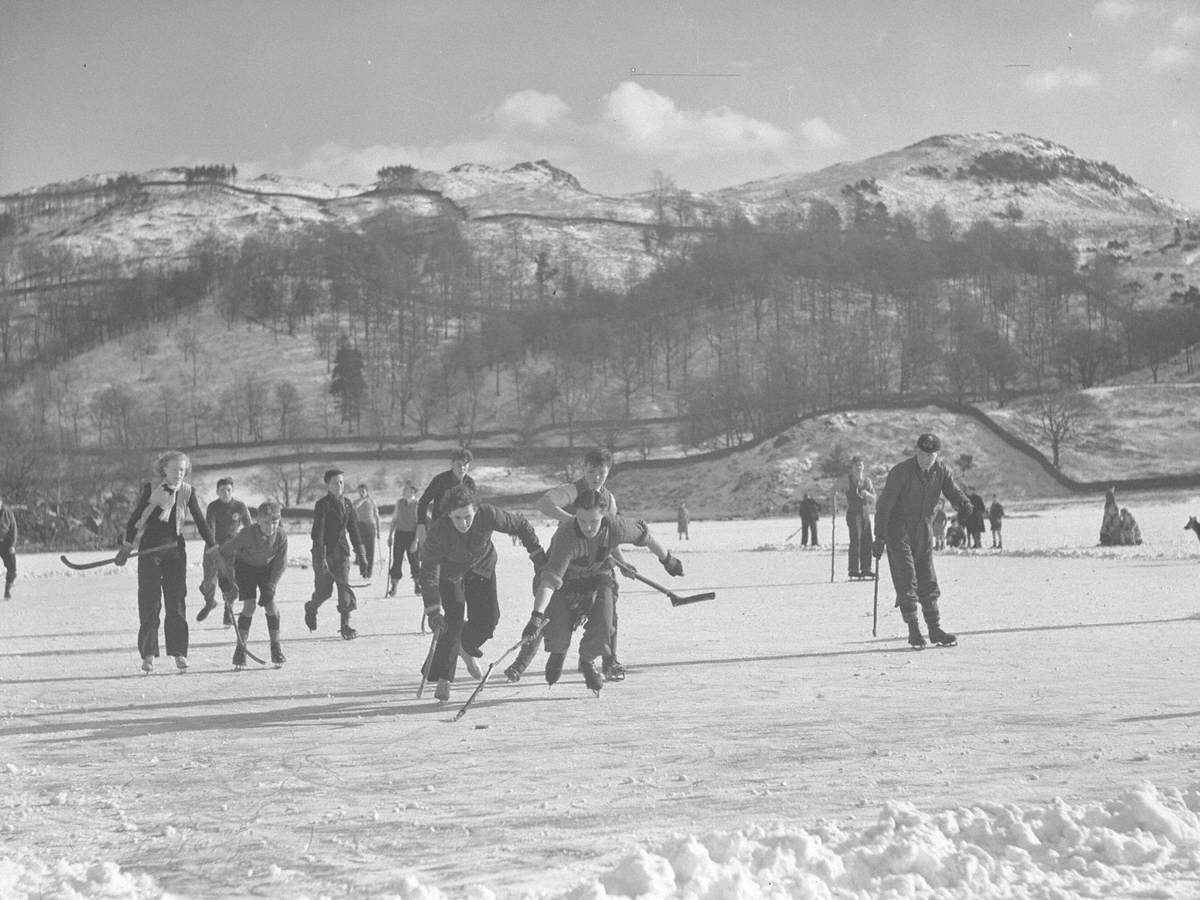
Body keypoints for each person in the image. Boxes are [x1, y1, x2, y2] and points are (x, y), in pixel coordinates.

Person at [512, 488, 683, 694]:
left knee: (605, 622)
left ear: (604, 516)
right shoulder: (567, 535)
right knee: (557, 632)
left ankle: (587, 660)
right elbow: (549, 582)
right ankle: (558, 653)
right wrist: (536, 617)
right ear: (576, 515)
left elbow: (646, 537)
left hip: (598, 576)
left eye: (594, 521)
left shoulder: (616, 526)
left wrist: (668, 560)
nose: (588, 527)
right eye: (582, 521)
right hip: (564, 582)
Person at [419, 484, 545, 702]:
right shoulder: (439, 530)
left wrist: (536, 554)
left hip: (482, 568)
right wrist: (432, 609)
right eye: (458, 518)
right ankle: (444, 679)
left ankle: (462, 647)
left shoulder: (488, 514)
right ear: (449, 514)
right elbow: (429, 569)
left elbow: (521, 524)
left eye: (468, 516)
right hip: (451, 574)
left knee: (489, 621)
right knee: (453, 621)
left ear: (476, 510)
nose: (464, 523)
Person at [535, 447, 629, 682]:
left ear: (608, 472)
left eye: (601, 472)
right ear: (583, 469)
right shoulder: (572, 490)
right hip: (568, 558)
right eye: (591, 471)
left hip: (597, 560)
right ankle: (555, 654)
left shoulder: (609, 498)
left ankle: (608, 660)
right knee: (557, 611)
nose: (595, 477)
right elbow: (543, 504)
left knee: (609, 606)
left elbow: (611, 535)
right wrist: (577, 523)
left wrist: (623, 562)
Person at [117, 450, 216, 673]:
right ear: (164, 470)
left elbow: (200, 521)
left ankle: (179, 652)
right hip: (150, 550)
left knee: (176, 602)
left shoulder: (188, 492)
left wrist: (213, 545)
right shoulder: (152, 489)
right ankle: (149, 654)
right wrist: (127, 544)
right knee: (150, 602)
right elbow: (137, 517)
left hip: (175, 552)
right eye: (175, 469)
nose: (179, 473)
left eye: (183, 469)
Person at [872, 433, 973, 650]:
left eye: (930, 455)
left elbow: (952, 490)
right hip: (898, 530)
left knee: (927, 578)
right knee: (907, 578)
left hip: (924, 529)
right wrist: (879, 536)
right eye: (921, 454)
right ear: (916, 452)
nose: (925, 458)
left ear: (937, 455)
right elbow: (885, 505)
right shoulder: (901, 472)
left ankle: (934, 628)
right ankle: (914, 630)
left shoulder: (941, 470)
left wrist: (963, 503)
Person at [215, 499, 289, 668]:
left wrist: (271, 586)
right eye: (266, 523)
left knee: (271, 606)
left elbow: (281, 563)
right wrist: (224, 578)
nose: (271, 527)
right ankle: (240, 650)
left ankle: (276, 648)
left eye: (275, 523)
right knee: (250, 606)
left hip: (266, 569)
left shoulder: (281, 535)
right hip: (245, 568)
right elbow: (224, 553)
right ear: (258, 520)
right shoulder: (246, 534)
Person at [304, 467, 368, 640]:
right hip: (323, 553)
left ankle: (345, 625)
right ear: (327, 485)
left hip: (342, 552)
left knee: (344, 589)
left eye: (341, 482)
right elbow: (318, 532)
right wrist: (321, 556)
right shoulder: (322, 505)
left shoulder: (347, 504)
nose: (339, 485)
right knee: (324, 592)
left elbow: (354, 530)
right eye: (335, 482)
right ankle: (311, 607)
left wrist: (361, 555)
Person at [198, 477, 253, 627]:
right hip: (213, 546)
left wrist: (248, 544)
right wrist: (213, 546)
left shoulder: (240, 506)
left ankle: (228, 609)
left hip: (232, 547)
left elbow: (249, 528)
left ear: (232, 491)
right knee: (209, 581)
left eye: (228, 490)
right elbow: (210, 528)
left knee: (230, 581)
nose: (225, 493)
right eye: (222, 490)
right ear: (217, 492)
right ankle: (210, 602)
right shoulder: (213, 507)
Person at [416, 448, 476, 545]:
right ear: (452, 464)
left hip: (462, 528)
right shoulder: (440, 480)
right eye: (459, 465)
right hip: (441, 528)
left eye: (465, 465)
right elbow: (423, 501)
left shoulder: (470, 483)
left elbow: (474, 507)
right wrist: (421, 523)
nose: (462, 468)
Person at [386, 481, 420, 597]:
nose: (404, 491)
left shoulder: (417, 504)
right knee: (397, 560)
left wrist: (415, 541)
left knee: (414, 561)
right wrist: (390, 536)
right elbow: (394, 519)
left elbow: (420, 524)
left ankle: (418, 585)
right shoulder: (399, 502)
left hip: (412, 535)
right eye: (404, 489)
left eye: (407, 489)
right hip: (400, 534)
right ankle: (394, 586)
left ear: (413, 491)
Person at [845, 456, 876, 578]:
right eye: (857, 465)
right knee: (856, 541)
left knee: (867, 540)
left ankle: (866, 568)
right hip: (853, 514)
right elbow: (835, 489)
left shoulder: (867, 481)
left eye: (861, 465)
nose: (859, 467)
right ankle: (853, 569)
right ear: (852, 467)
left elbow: (874, 498)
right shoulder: (848, 480)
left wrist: (868, 494)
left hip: (865, 513)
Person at [353, 483, 381, 578]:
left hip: (370, 526)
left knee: (370, 550)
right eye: (360, 491)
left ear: (366, 491)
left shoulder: (372, 501)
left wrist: (378, 530)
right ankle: (363, 570)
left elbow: (377, 516)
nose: (361, 492)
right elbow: (354, 507)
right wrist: (364, 499)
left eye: (363, 490)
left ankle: (369, 571)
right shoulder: (356, 501)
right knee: (361, 550)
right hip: (360, 526)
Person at [0, 491, 17, 600]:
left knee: (12, 569)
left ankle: (7, 590)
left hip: (6, 543)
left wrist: (12, 545)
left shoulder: (7, 512)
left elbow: (14, 529)